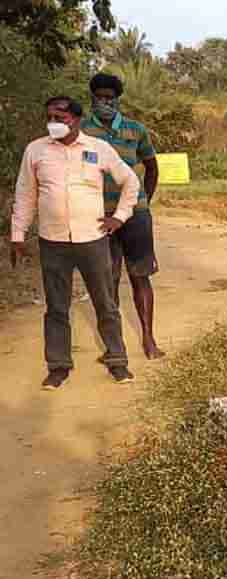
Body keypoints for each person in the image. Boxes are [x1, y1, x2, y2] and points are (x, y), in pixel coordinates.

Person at [11, 97, 141, 389]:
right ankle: (58, 366)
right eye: (50, 117)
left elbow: (130, 182)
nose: (54, 122)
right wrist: (17, 234)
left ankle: (117, 362)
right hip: (53, 241)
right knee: (57, 307)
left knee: (105, 304)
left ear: (77, 120)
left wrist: (119, 217)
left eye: (61, 117)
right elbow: (25, 195)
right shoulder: (36, 150)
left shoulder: (98, 149)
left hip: (92, 240)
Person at [82, 72, 165, 359]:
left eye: (110, 98)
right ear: (92, 99)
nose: (105, 102)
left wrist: (143, 202)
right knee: (109, 279)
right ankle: (114, 347)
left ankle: (148, 340)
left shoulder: (135, 130)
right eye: (100, 97)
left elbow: (152, 168)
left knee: (140, 276)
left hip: (135, 215)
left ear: (117, 100)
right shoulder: (81, 131)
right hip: (98, 217)